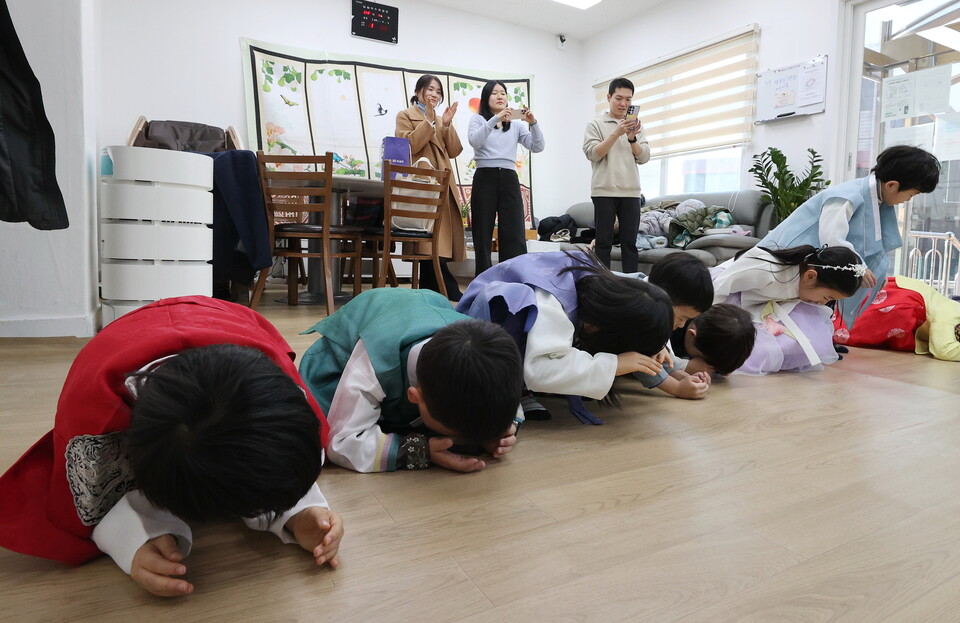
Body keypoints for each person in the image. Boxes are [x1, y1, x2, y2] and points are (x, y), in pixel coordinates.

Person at [0, 297, 342, 597]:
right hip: (123, 338)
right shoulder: (95, 414)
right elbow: (89, 498)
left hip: (228, 319)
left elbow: (283, 447)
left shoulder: (277, 382)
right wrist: (132, 538)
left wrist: (299, 512)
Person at [299, 288, 524, 473]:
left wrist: (502, 429)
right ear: (414, 396)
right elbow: (343, 443)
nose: (457, 441)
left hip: (424, 309)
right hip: (351, 345)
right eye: (453, 434)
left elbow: (504, 391)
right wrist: (419, 450)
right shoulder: (374, 359)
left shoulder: (484, 351)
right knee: (313, 424)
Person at [457, 251, 673, 424]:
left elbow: (644, 296)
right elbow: (539, 370)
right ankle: (512, 388)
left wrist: (655, 343)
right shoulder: (550, 302)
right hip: (474, 334)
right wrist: (614, 364)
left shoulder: (603, 287)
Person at [758, 145, 941, 328]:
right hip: (783, 263)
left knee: (817, 304)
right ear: (892, 185)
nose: (907, 200)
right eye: (911, 195)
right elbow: (831, 238)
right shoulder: (847, 196)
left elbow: (868, 244)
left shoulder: (876, 201)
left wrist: (872, 269)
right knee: (782, 312)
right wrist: (859, 268)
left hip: (809, 264)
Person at [712, 244, 863, 374]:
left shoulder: (803, 285)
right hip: (725, 298)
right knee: (751, 350)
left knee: (801, 344)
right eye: (827, 297)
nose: (822, 303)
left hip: (759, 304)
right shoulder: (769, 270)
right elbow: (719, 288)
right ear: (810, 276)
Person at [395, 74, 467, 300]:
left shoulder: (439, 117)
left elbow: (454, 151)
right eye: (429, 89)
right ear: (418, 92)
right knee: (427, 237)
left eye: (438, 91)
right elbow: (410, 146)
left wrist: (446, 124)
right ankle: (441, 285)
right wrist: (428, 122)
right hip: (422, 185)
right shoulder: (405, 115)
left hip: (442, 182)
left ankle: (436, 285)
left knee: (441, 238)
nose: (434, 94)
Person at [468, 80, 545, 276]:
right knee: (482, 231)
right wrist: (495, 119)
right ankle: (483, 279)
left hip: (509, 177)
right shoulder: (478, 120)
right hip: (485, 176)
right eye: (495, 93)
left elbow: (537, 146)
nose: (500, 96)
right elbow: (475, 141)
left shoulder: (517, 125)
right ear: (486, 98)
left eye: (503, 93)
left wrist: (533, 123)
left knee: (514, 231)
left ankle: (513, 278)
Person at [583, 77, 651, 274]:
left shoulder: (636, 125)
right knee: (603, 243)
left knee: (629, 244)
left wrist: (632, 138)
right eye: (619, 98)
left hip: (631, 192)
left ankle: (632, 285)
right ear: (609, 97)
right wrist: (616, 132)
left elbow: (644, 156)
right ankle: (603, 285)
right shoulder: (595, 124)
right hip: (603, 191)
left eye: (628, 100)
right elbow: (593, 154)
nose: (624, 104)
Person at [630, 253, 717, 399]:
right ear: (664, 298)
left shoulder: (651, 296)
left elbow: (657, 356)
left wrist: (684, 377)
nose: (682, 325)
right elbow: (640, 357)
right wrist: (677, 388)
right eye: (682, 318)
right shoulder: (638, 308)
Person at [833, 275, 960, 362]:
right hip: (904, 305)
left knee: (842, 316)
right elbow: (944, 350)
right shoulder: (952, 312)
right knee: (845, 323)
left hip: (908, 301)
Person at [669, 303, 757, 378]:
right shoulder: (672, 326)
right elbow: (659, 357)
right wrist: (685, 365)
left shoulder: (716, 342)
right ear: (692, 334)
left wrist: (724, 368)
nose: (703, 364)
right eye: (702, 359)